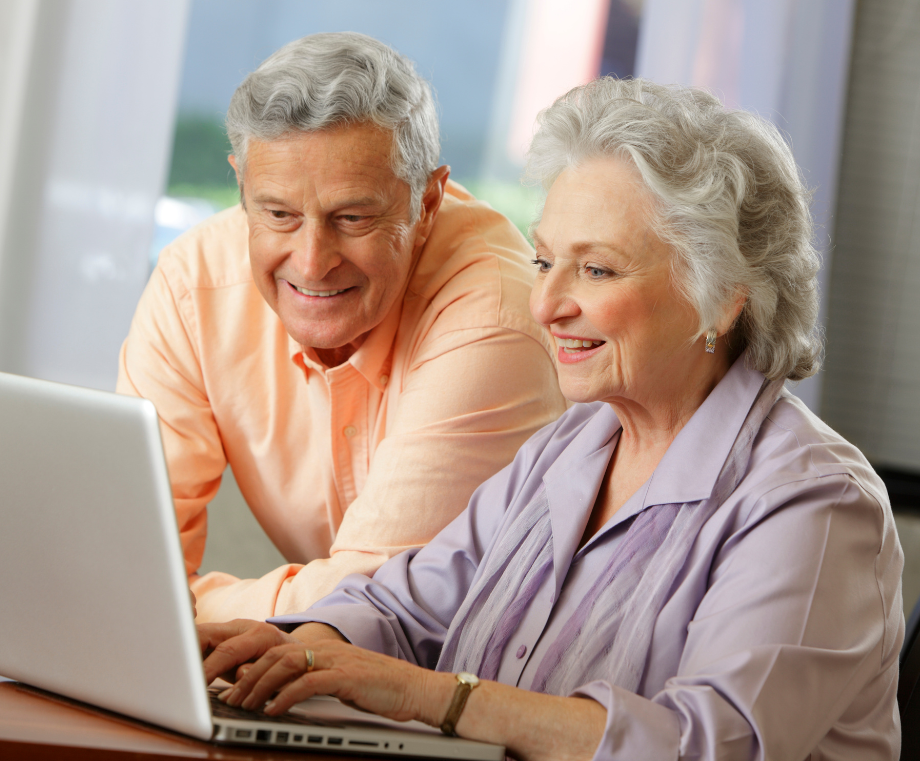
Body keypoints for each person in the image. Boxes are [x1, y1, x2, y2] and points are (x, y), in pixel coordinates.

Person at [198, 78, 906, 760]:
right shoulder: (573, 444)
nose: (546, 305)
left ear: (722, 298)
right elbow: (406, 609)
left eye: (596, 271)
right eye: (543, 261)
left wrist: (430, 696)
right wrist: (301, 642)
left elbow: (709, 747)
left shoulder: (815, 503)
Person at [116, 32, 565, 623]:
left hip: (487, 680)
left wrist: (176, 613)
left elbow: (376, 601)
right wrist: (144, 604)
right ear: (241, 185)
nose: (310, 261)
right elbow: (127, 562)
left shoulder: (494, 316)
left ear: (426, 202)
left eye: (352, 218)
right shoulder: (192, 283)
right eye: (277, 213)